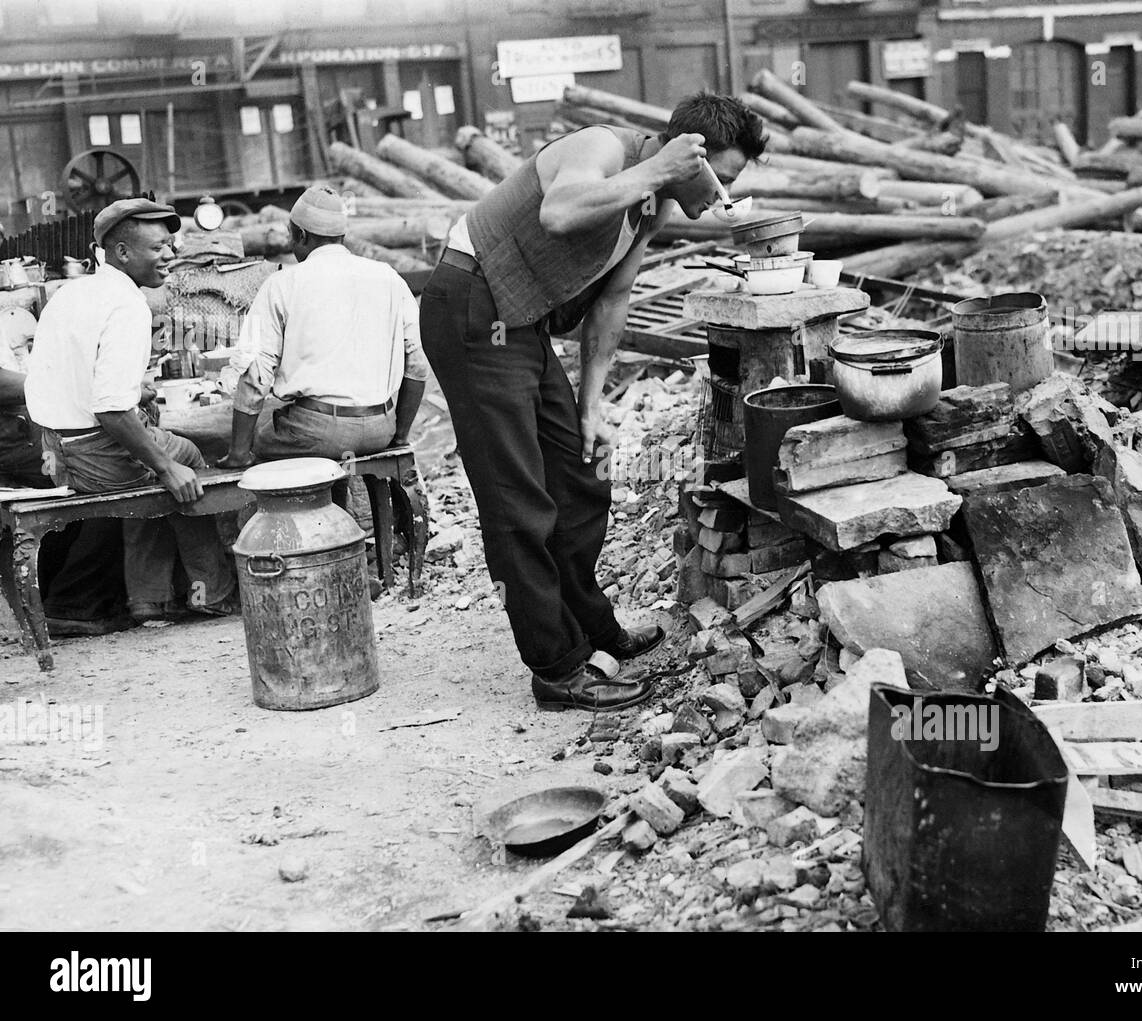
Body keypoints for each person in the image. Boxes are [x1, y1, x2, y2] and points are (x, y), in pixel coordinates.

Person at [420, 93, 766, 712]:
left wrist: (590, 405)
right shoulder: (604, 149)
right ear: (691, 155)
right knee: (517, 499)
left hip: (517, 321)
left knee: (581, 479)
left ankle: (591, 629)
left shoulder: (652, 204)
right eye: (724, 179)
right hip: (470, 303)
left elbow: (612, 301)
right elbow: (558, 211)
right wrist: (657, 172)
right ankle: (556, 668)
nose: (722, 198)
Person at [24, 198, 239, 623]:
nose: (170, 255)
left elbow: (63, 380)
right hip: (93, 455)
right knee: (187, 461)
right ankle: (211, 592)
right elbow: (110, 411)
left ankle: (149, 597)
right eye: (158, 247)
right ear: (122, 252)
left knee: (155, 446)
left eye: (171, 245)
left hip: (53, 449)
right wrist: (166, 468)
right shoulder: (127, 306)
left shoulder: (74, 292)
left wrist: (135, 401)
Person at [217, 186, 429, 472]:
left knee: (252, 444)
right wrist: (399, 436)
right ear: (341, 237)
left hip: (315, 433)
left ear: (301, 235)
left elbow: (254, 372)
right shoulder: (389, 277)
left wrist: (239, 452)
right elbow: (417, 363)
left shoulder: (282, 284)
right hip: (381, 428)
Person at [1, 340, 128, 637]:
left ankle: (57, 594)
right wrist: (72, 387)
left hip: (20, 428)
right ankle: (75, 602)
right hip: (13, 437)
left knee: (91, 463)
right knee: (109, 468)